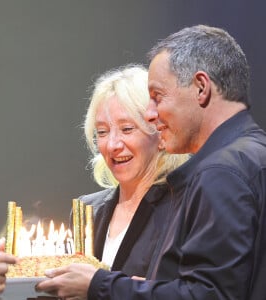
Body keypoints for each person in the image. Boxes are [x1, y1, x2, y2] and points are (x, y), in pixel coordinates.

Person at [36, 25, 266, 300]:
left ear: (201, 88)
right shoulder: (252, 154)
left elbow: (209, 294)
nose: (152, 113)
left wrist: (104, 286)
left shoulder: (219, 171)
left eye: (157, 98)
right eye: (101, 132)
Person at [75, 65, 189, 277]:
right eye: (102, 132)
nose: (112, 145)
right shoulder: (87, 210)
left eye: (127, 129)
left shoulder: (184, 207)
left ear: (160, 132)